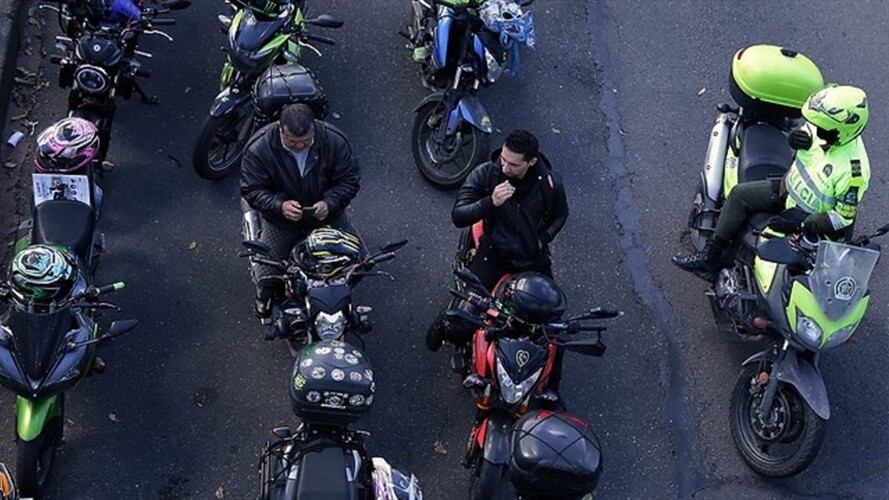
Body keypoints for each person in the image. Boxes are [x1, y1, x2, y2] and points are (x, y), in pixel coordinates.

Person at [673, 84, 871, 278]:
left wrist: (803, 224)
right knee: (739, 195)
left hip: (810, 219)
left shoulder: (854, 171)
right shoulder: (822, 125)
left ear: (842, 132)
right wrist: (795, 139)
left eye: (822, 128)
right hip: (786, 191)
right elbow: (807, 139)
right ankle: (710, 257)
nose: (816, 129)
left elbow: (842, 218)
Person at [426, 130, 569, 386]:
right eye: (503, 159)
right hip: (492, 258)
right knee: (463, 316)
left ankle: (551, 387)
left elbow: (561, 215)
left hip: (533, 260)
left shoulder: (550, 183)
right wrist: (490, 202)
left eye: (513, 164)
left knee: (555, 328)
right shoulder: (486, 174)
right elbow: (459, 215)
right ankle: (444, 331)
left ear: (531, 162)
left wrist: (542, 238)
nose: (505, 167)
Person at [240, 103, 360, 319]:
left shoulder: (335, 141)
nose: (300, 146)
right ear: (280, 128)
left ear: (315, 128)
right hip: (281, 222)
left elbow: (349, 180)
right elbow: (252, 189)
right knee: (266, 274)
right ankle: (264, 298)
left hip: (327, 216)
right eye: (293, 142)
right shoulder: (258, 149)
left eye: (306, 141)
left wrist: (330, 203)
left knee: (359, 262)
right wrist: (279, 206)